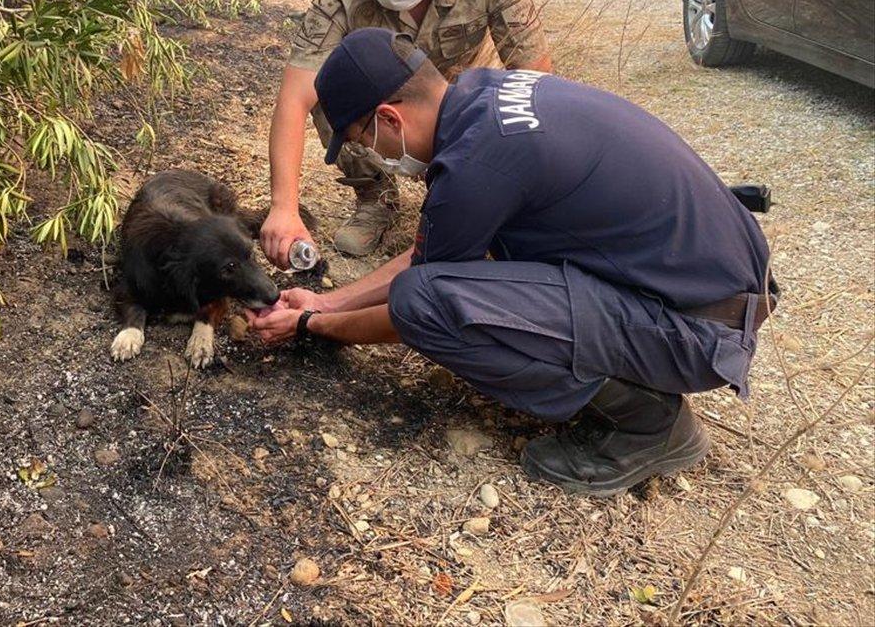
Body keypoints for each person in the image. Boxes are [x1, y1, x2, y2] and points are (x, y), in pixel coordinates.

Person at [249, 28, 775, 496]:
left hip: (700, 331)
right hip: (713, 290)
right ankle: (636, 389)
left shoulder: (474, 164)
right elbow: (431, 254)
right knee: (444, 279)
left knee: (420, 304)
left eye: (364, 140)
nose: (373, 154)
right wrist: (327, 301)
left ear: (389, 117)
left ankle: (647, 424)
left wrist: (313, 326)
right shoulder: (485, 100)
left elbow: (415, 307)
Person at [260, 0, 552, 266]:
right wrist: (283, 208)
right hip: (389, 105)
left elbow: (533, 78)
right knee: (330, 93)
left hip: (464, 106)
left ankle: (472, 196)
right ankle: (375, 198)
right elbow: (295, 98)